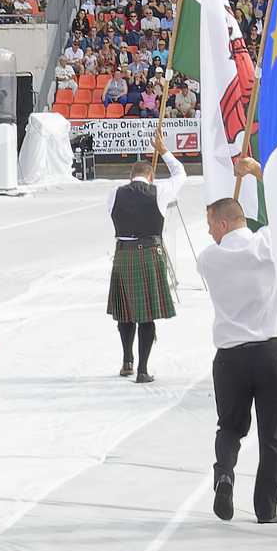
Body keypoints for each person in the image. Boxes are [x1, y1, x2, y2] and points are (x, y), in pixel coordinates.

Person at [196, 161, 277, 524]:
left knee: (230, 428)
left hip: (230, 357)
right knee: (272, 435)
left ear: (222, 223)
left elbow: (223, 244)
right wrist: (258, 172)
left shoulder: (208, 259)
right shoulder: (266, 246)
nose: (208, 233)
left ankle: (224, 473)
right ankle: (266, 509)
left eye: (210, 226)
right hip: (269, 352)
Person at [107, 139, 183, 381]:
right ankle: (142, 370)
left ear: (131, 177)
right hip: (149, 253)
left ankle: (127, 360)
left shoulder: (114, 193)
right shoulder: (159, 191)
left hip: (123, 255)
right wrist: (164, 151)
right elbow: (180, 174)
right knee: (146, 315)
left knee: (125, 312)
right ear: (151, 176)